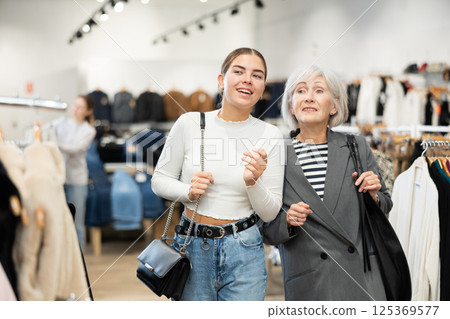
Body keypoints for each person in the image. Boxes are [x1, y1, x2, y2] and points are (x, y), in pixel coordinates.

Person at [151, 47, 284, 301]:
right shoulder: (189, 123)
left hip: (244, 251)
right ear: (222, 81)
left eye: (257, 75)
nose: (248, 79)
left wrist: (253, 182)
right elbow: (158, 180)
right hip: (191, 247)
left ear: (263, 87)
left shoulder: (271, 135)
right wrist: (187, 191)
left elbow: (269, 213)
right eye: (239, 71)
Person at [261, 65, 393, 301]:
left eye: (319, 90)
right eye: (300, 91)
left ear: (334, 105)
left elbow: (384, 205)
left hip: (360, 278)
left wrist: (374, 196)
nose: (309, 97)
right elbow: (263, 226)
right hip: (309, 280)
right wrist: (287, 220)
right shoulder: (275, 153)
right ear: (291, 104)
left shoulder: (356, 146)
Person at [54, 95, 96, 251]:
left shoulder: (89, 130)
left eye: (80, 107)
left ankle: (80, 265)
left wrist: (55, 144)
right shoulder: (62, 123)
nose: (75, 109)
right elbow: (47, 129)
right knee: (59, 223)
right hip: (60, 179)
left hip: (77, 181)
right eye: (74, 105)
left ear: (88, 111)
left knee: (76, 223)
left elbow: (75, 149)